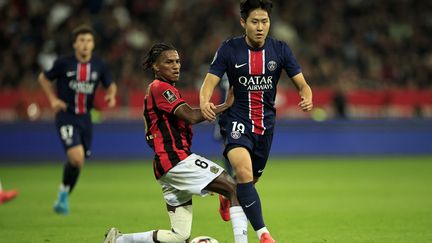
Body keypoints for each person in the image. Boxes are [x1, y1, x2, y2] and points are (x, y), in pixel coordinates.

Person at [103, 43, 249, 243]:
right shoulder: (160, 88)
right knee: (233, 188)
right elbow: (190, 116)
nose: (176, 66)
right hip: (176, 160)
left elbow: (150, 132)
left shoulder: (158, 90)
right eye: (169, 62)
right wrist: (224, 106)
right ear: (156, 66)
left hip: (165, 165)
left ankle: (118, 240)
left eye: (178, 61)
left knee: (179, 236)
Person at [199, 0, 313, 242]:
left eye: (265, 21)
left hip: (265, 126)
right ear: (243, 23)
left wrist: (306, 95)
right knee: (243, 171)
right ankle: (264, 234)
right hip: (236, 119)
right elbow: (209, 83)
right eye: (255, 22)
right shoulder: (229, 49)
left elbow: (302, 83)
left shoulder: (281, 49)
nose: (260, 27)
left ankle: (226, 192)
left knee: (248, 182)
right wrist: (204, 102)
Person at [38, 24, 117, 215]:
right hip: (66, 116)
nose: (85, 44)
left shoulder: (99, 65)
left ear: (93, 44)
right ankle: (63, 196)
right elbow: (43, 78)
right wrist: (53, 99)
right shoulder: (64, 63)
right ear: (74, 44)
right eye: (81, 40)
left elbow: (110, 84)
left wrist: (111, 95)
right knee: (76, 156)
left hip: (85, 119)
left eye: (89, 41)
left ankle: (63, 194)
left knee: (78, 162)